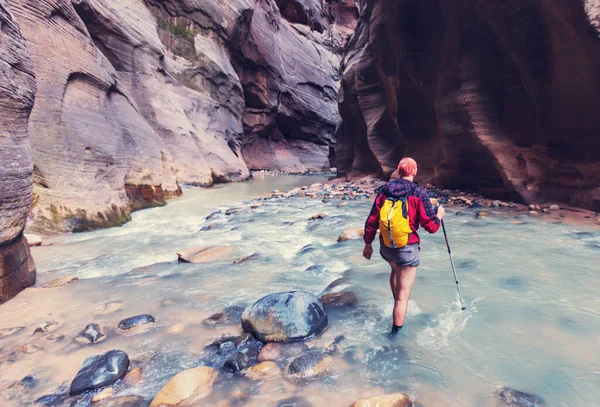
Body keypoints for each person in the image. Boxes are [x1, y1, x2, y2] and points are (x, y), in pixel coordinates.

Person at [362, 157, 446, 335]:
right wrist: (439, 215)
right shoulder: (418, 193)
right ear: (414, 172)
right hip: (407, 248)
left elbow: (372, 219)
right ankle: (395, 334)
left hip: (386, 246)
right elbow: (431, 226)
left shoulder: (384, 190)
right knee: (403, 297)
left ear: (399, 172)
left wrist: (367, 243)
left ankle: (395, 301)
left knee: (395, 270)